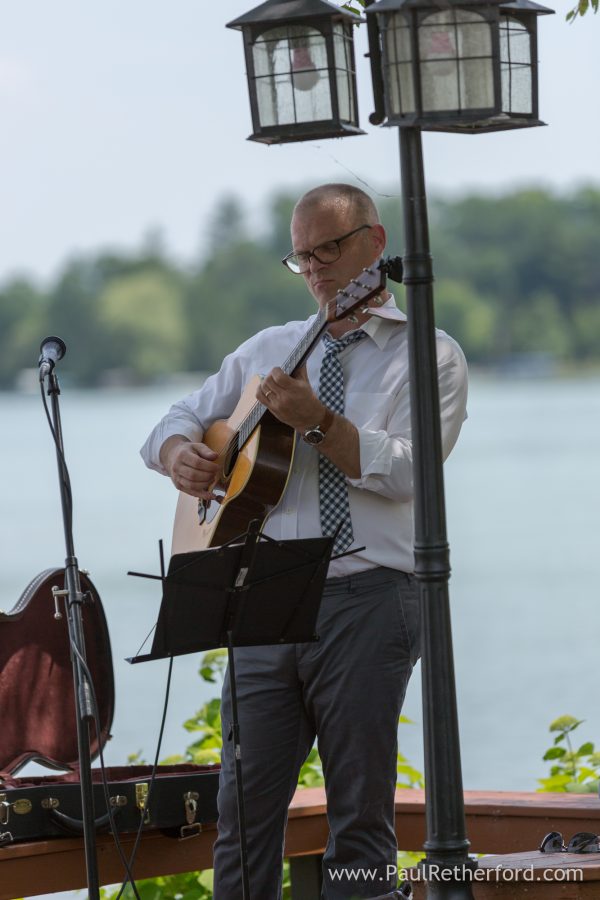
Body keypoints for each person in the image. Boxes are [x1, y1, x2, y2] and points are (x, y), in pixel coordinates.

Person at [140, 183, 468, 899]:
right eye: (301, 258)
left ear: (374, 246)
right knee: (243, 811)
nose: (315, 269)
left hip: (370, 595)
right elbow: (173, 420)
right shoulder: (270, 349)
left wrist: (318, 420)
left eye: (328, 250)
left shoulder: (429, 355)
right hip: (264, 595)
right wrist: (180, 456)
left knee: (360, 815)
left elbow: (410, 473)